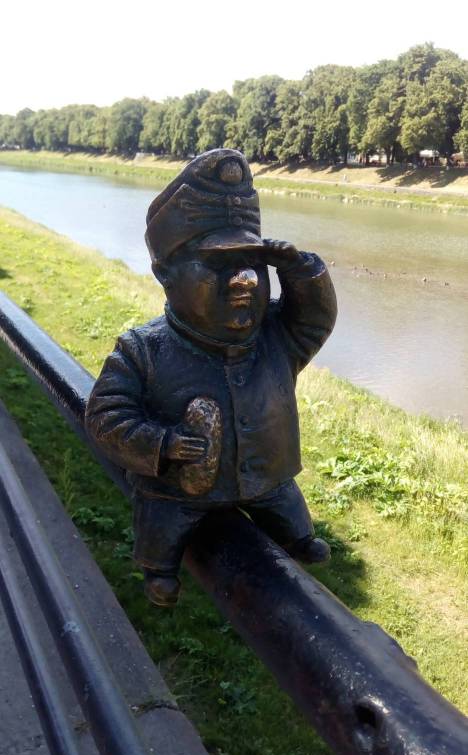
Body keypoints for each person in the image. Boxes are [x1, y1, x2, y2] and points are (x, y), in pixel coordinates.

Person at [85, 148, 338, 607]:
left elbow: (315, 320)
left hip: (269, 480)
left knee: (289, 514)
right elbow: (106, 417)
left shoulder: (276, 337)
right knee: (164, 520)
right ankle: (159, 568)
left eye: (254, 264)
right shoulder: (143, 350)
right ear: (166, 274)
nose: (244, 280)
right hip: (175, 491)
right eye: (219, 265)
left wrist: (303, 273)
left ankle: (297, 540)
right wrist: (162, 444)